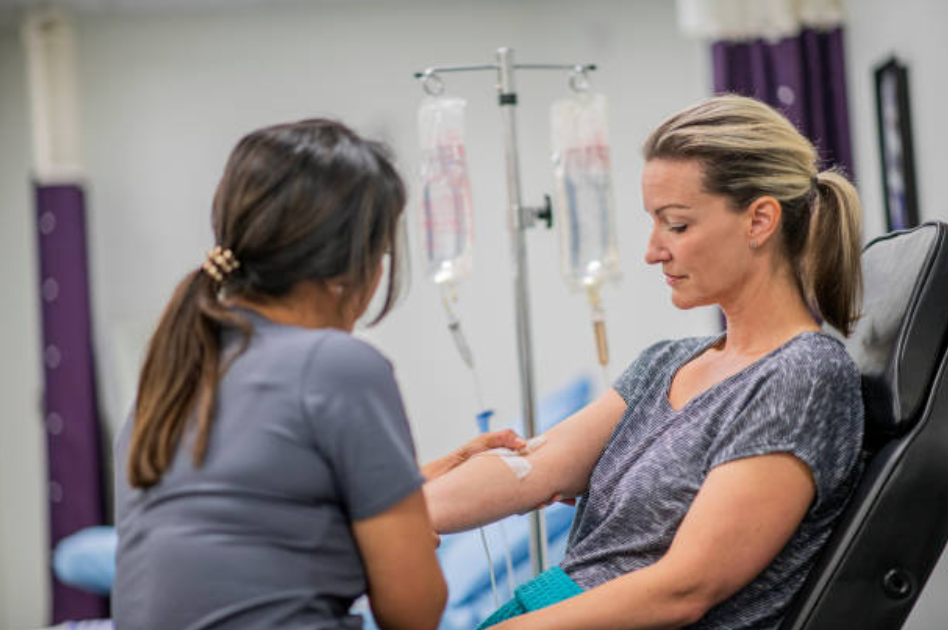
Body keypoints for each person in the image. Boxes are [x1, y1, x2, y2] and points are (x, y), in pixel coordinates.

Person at [424, 94, 865, 630]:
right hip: (553, 604)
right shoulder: (666, 363)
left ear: (760, 221)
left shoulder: (803, 377)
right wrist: (392, 519)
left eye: (676, 225)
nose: (653, 250)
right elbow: (533, 469)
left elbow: (683, 588)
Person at [112, 119, 522, 630]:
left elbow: (263, 517)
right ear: (359, 263)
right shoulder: (339, 365)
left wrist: (424, 478)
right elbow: (414, 611)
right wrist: (409, 532)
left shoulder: (174, 375)